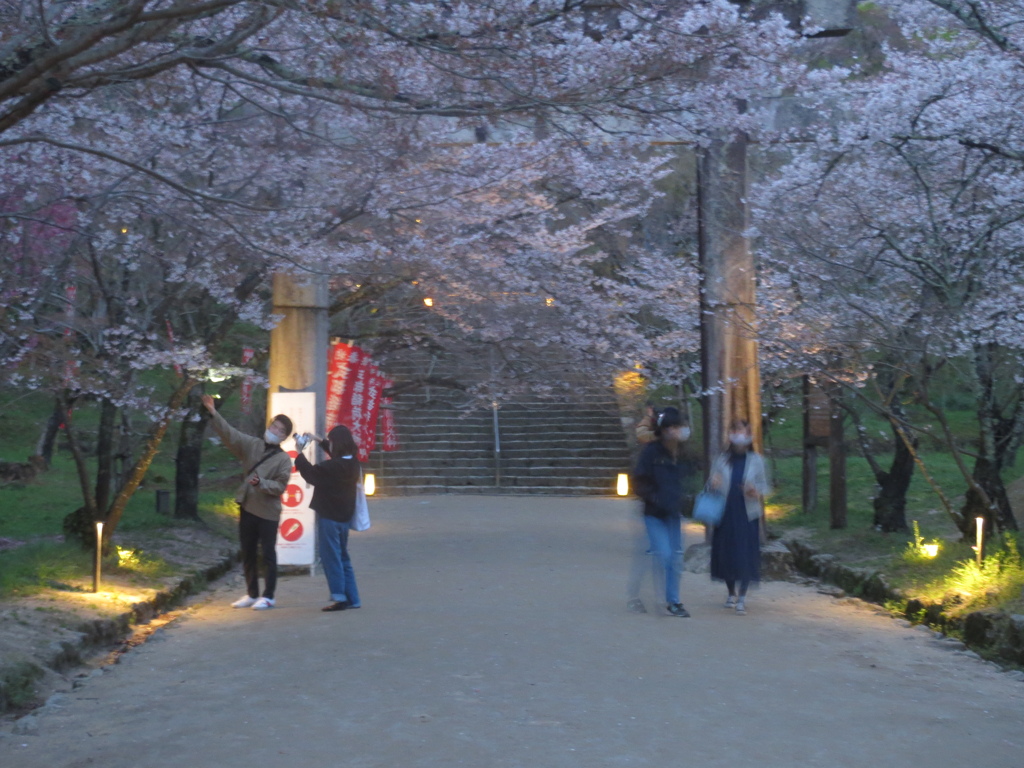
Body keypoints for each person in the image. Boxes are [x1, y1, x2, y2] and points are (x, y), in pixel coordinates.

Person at [202, 394, 293, 610]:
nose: (275, 431)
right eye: (274, 426)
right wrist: (214, 412)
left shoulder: (283, 459)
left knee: (268, 553)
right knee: (247, 550)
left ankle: (269, 595)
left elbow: (280, 486)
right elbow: (230, 435)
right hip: (247, 506)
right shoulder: (252, 445)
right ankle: (252, 593)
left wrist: (261, 483)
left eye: (281, 430)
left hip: (268, 512)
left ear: (285, 436)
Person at [629, 406, 694, 617]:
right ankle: (640, 595)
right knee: (664, 554)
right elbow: (638, 481)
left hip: (674, 513)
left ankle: (673, 601)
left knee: (675, 558)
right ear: (664, 429)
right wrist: (654, 497)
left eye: (679, 426)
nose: (678, 431)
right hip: (654, 513)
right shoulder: (651, 452)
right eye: (673, 427)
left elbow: (688, 476)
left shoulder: (683, 453)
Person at [293, 426, 363, 612]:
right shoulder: (353, 463)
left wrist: (299, 454)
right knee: (343, 557)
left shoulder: (332, 467)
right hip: (344, 517)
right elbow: (335, 457)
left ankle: (339, 597)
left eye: (331, 442)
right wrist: (318, 439)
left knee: (331, 557)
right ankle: (353, 598)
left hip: (329, 517)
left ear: (337, 444)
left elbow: (311, 474)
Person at [708, 418, 771, 615]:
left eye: (743, 432)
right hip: (725, 511)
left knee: (745, 553)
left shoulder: (756, 460)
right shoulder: (721, 459)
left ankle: (742, 596)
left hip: (747, 512)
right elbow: (711, 482)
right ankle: (730, 592)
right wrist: (714, 483)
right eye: (735, 431)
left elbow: (764, 484)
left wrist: (755, 491)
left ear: (750, 435)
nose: (739, 435)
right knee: (726, 552)